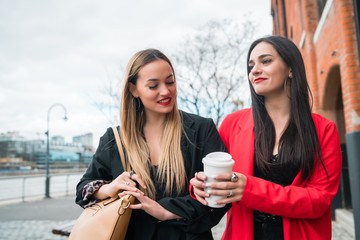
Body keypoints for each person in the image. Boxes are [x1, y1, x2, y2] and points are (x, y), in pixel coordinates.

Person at [190, 36, 342, 240]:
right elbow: (210, 177)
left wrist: (250, 190)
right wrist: (199, 187)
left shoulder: (324, 129)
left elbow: (318, 200)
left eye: (266, 61)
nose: (254, 70)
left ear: (291, 69)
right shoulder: (232, 124)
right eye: (251, 65)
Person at [75, 48, 229, 239]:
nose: (166, 91)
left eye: (170, 82)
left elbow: (221, 195)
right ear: (133, 89)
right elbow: (83, 190)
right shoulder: (114, 138)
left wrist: (165, 211)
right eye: (153, 86)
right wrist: (109, 187)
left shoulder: (201, 129)